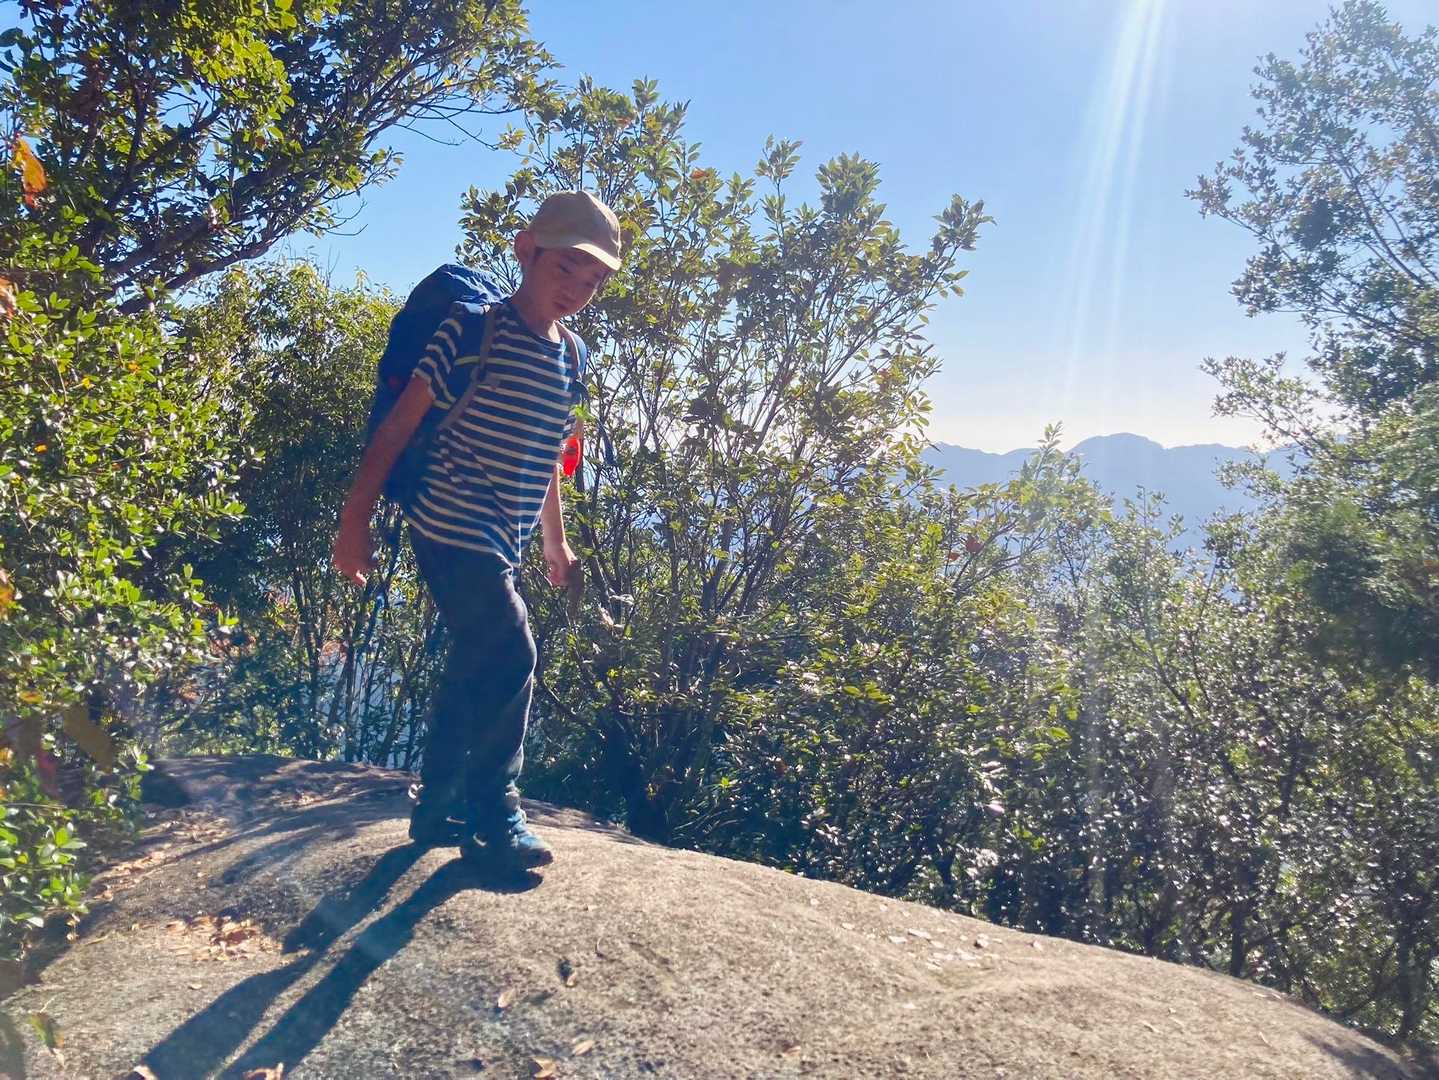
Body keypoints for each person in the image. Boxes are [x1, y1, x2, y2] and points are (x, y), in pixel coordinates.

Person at [331, 190, 621, 869]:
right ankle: (495, 812)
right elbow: (396, 429)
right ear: (527, 251)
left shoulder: (573, 356)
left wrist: (554, 540)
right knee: (512, 651)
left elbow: (550, 454)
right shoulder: (471, 329)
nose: (576, 289)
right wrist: (355, 522)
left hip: (502, 538)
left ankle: (438, 805)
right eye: (565, 268)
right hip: (448, 520)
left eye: (592, 281)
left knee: (473, 660)